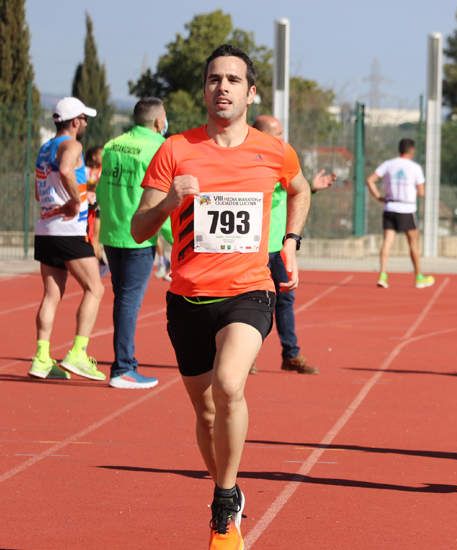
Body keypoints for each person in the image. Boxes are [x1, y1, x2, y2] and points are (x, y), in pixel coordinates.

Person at [131, 44, 311, 549]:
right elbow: (139, 228)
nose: (223, 87)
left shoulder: (273, 150)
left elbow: (300, 190)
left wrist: (290, 244)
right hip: (188, 297)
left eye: (233, 80)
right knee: (206, 412)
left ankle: (224, 500)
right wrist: (171, 199)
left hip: (248, 290)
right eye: (214, 79)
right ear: (205, 89)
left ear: (250, 93)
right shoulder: (176, 150)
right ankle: (224, 484)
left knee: (231, 384)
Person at [29, 97, 106, 381]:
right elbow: (64, 171)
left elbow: (38, 192)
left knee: (51, 295)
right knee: (95, 289)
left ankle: (41, 357)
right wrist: (77, 200)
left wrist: (62, 200)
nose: (85, 123)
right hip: (68, 230)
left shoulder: (43, 148)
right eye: (84, 119)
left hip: (46, 229)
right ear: (75, 121)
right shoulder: (72, 146)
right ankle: (78, 352)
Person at [251, 114, 335, 375]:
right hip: (253, 248)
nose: (282, 138)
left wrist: (313, 187)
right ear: (263, 135)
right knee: (253, 305)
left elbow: (293, 190)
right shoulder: (249, 163)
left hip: (279, 246)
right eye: (277, 133)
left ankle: (291, 353)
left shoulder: (279, 159)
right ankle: (245, 355)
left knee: (285, 301)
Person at [95, 97, 168, 389]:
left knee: (122, 299)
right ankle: (123, 367)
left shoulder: (113, 145)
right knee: (128, 301)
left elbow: (101, 189)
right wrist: (176, 240)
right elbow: (163, 195)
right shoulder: (159, 148)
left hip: (113, 232)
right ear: (158, 121)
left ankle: (124, 364)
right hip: (138, 234)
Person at [366, 138, 435, 289]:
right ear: (411, 150)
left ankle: (383, 275)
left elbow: (370, 180)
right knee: (413, 243)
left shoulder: (388, 164)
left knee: (387, 242)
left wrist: (378, 196)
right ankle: (418, 277)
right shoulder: (415, 167)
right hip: (407, 209)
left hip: (390, 207)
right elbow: (421, 192)